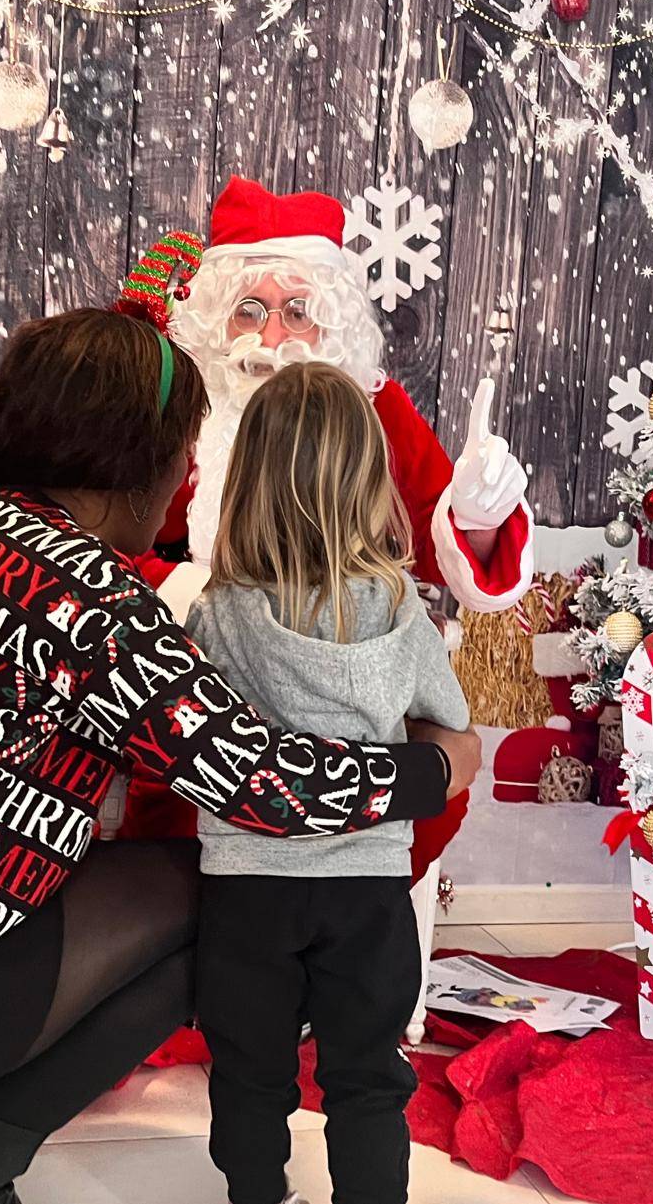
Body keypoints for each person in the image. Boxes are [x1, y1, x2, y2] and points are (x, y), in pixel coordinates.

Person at [0, 255, 483, 1204]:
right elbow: (266, 785)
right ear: (140, 457)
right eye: (183, 449)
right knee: (229, 908)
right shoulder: (90, 597)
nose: (188, 473)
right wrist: (435, 766)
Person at [121, 174, 533, 868]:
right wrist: (192, 594)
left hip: (344, 675)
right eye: (249, 309)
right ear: (214, 316)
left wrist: (480, 516)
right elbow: (103, 546)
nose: (272, 337)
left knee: (425, 772)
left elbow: (438, 539)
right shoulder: (173, 409)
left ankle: (351, 908)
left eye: (297, 311)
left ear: (331, 321)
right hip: (202, 673)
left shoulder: (373, 409)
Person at [187, 362, 471, 1204]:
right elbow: (450, 730)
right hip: (368, 887)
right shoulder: (396, 608)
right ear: (368, 479)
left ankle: (257, 1196)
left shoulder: (219, 609)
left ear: (250, 479)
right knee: (368, 1073)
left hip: (246, 886)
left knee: (249, 1068)